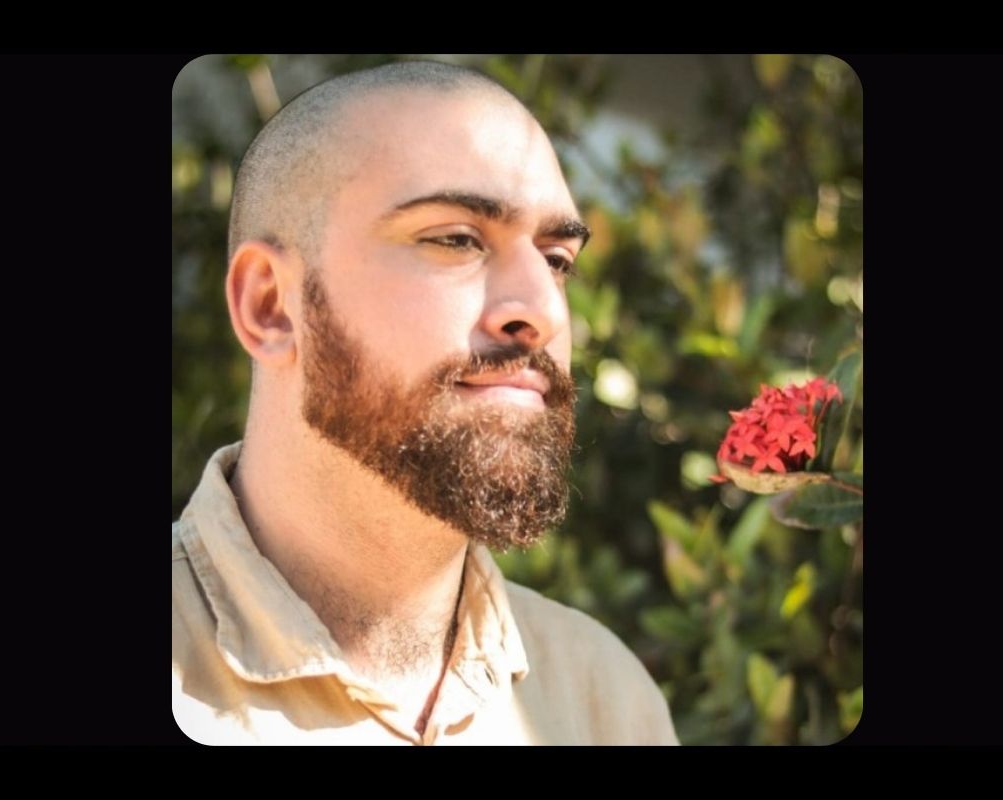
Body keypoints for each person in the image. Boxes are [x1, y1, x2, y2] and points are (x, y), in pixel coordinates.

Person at [172, 59, 680, 746]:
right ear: (271, 306)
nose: (543, 312)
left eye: (557, 260)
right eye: (456, 239)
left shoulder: (603, 699)